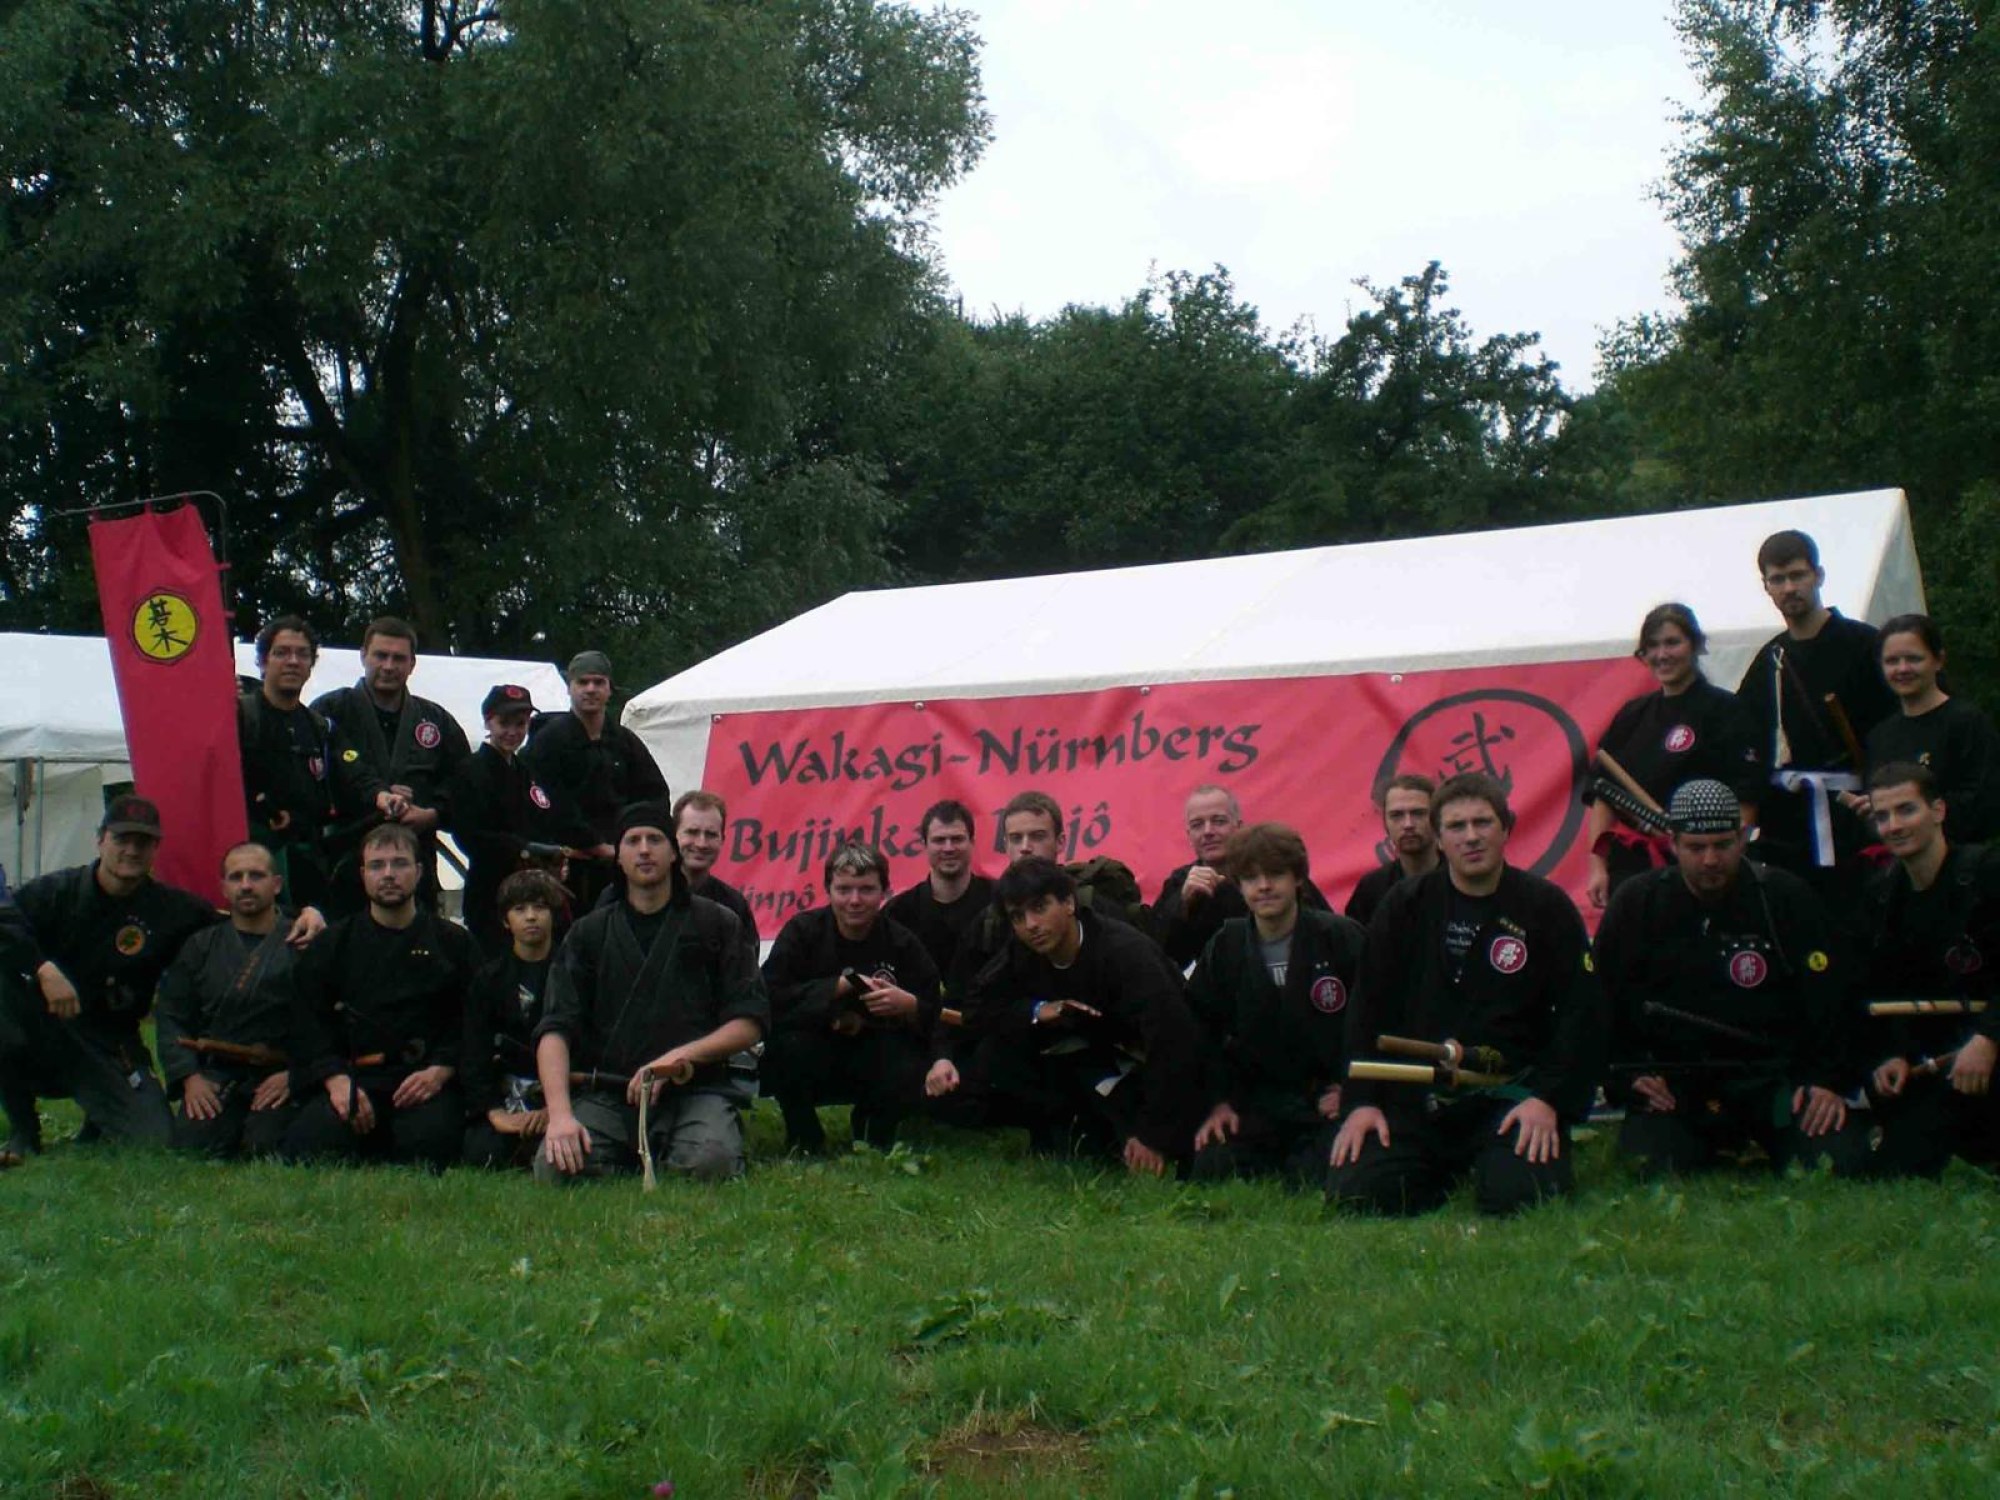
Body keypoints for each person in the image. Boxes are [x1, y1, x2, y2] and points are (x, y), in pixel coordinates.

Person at [1328, 773, 1603, 1217]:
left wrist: (1549, 1100)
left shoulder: (1546, 907)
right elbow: (1368, 1008)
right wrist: (1361, 1104)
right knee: (1360, 1194)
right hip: (1418, 1098)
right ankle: (1438, 1168)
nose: (1471, 837)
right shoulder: (1404, 905)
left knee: (1519, 1197)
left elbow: (1581, 1012)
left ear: (1506, 829)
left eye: (1483, 822)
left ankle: (1493, 1163)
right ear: (1438, 838)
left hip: (1509, 1096)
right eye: (1456, 826)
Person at [1, 797, 321, 1165]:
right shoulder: (53, 893)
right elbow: (5, 923)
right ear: (100, 840)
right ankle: (24, 1129)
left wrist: (307, 914)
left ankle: (100, 1116)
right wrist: (42, 967)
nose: (131, 850)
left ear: (156, 849)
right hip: (46, 1028)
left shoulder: (172, 909)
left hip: (110, 1042)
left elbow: (242, 917)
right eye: (122, 839)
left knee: (156, 1139)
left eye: (143, 842)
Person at [1596, 779, 1870, 1178]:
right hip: (1678, 1087)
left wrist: (1826, 1081)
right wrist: (1631, 1077)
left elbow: (1832, 998)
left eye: (1722, 845)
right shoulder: (1638, 903)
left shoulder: (1783, 897)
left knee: (1840, 1162)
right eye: (1696, 847)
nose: (1710, 860)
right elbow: (1601, 1003)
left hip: (1773, 1080)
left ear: (1743, 838)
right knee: (1651, 1168)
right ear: (1673, 844)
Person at [533, 802, 767, 1184]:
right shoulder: (588, 934)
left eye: (655, 839)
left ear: (673, 852)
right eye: (633, 841)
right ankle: (636, 1150)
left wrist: (678, 1057)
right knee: (554, 1167)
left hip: (695, 1088)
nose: (644, 849)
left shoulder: (717, 923)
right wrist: (559, 1116)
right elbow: (555, 1029)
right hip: (610, 1093)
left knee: (712, 1162)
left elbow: (749, 1021)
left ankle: (686, 1141)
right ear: (619, 856)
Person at [932, 858, 1202, 1174]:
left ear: (1069, 903)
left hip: (1160, 1062)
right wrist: (1038, 1011)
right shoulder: (1023, 950)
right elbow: (977, 1008)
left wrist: (1152, 1135)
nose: (1031, 924)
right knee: (997, 1053)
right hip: (1093, 1058)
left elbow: (1175, 1043)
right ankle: (1069, 1129)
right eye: (1018, 916)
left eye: (1040, 908)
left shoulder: (1127, 954)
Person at [282, 822, 482, 1170]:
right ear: (363, 875)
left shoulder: (454, 943)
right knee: (311, 1145)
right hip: (354, 1077)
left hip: (425, 1080)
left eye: (399, 863)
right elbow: (308, 1022)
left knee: (428, 1146)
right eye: (377, 865)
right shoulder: (333, 945)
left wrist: (441, 1070)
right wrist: (336, 1080)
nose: (388, 874)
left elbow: (475, 1018)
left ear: (419, 871)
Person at [1187, 823, 1366, 1187]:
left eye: (1275, 875)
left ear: (1298, 878)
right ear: (1239, 886)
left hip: (1326, 1100)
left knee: (1322, 1173)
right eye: (1251, 878)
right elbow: (1200, 1030)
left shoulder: (1340, 937)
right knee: (1212, 1166)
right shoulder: (1227, 945)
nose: (1264, 886)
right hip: (1256, 1102)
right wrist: (1218, 1103)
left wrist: (1353, 1090)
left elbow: (1374, 1019)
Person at [1859, 763, 2000, 1178]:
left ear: (1938, 810)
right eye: (1882, 816)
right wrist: (1893, 1055)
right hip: (1941, 1062)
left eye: (1906, 810)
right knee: (1898, 1165)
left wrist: (1988, 1039)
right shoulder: (1882, 896)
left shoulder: (1988, 874)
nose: (1893, 826)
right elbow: (1884, 991)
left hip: (1990, 1044)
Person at [1734, 531, 1894, 886]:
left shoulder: (1866, 644)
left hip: (1856, 816)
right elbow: (1747, 743)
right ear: (1766, 587)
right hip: (1787, 827)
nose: (1789, 588)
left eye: (1797, 575)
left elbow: (1896, 729)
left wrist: (1886, 793)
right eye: (1778, 579)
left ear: (1818, 575)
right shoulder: (1769, 659)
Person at [761, 843, 941, 1153]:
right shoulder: (802, 932)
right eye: (844, 889)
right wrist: (837, 988)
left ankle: (874, 1132)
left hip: (877, 1051)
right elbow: (770, 995)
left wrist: (908, 1005)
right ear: (828, 890)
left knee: (907, 1060)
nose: (854, 900)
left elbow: (935, 1011)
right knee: (783, 1048)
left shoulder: (902, 943)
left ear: (884, 891)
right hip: (814, 1048)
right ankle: (804, 1138)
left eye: (866, 889)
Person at [1584, 603, 1762, 908]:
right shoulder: (1632, 715)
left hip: (1704, 865)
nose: (1662, 654)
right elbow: (1604, 795)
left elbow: (1746, 796)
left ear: (1695, 645)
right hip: (1634, 867)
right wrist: (1598, 866)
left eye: (1672, 642)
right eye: (1652, 646)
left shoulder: (1726, 711)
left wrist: (1730, 857)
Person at [154, 843, 307, 1157]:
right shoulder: (201, 946)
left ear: (277, 884)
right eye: (236, 877)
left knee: (265, 1145)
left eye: (256, 875)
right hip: (217, 1074)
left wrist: (297, 1074)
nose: (246, 885)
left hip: (279, 1072)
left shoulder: (302, 942)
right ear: (223, 887)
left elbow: (325, 1019)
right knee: (194, 1145)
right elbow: (171, 1015)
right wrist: (190, 1077)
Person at [314, 617, 471, 913]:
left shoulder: (435, 720)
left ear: (412, 664)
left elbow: (465, 784)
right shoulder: (331, 712)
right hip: (345, 861)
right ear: (363, 656)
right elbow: (313, 782)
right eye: (380, 655)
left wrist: (433, 814)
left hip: (415, 864)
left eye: (398, 658)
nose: (388, 666)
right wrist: (377, 796)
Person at [947, 790, 1151, 1001]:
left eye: (1037, 836)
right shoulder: (989, 923)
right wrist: (1032, 1011)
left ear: (1060, 842)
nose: (1025, 848)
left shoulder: (1095, 904)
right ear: (1005, 845)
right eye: (1016, 839)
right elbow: (966, 1001)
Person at [523, 650, 669, 909]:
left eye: (598, 682)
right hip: (567, 867)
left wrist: (635, 838)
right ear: (569, 687)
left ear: (609, 688)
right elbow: (548, 802)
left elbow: (654, 794)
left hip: (622, 862)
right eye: (583, 682)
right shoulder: (548, 742)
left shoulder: (625, 742)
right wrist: (594, 845)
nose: (591, 689)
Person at [1859, 615, 2000, 845]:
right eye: (1892, 661)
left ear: (1939, 660)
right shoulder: (1880, 737)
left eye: (1914, 659)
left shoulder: (1968, 724)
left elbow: (1985, 802)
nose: (1902, 668)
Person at [1152, 785, 1330, 967]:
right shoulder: (1181, 882)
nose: (1208, 831)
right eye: (1197, 825)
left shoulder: (1277, 872)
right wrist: (1182, 906)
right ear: (1189, 835)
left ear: (1238, 826)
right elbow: (1159, 958)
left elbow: (1327, 935)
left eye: (1219, 821)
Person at [460, 869, 568, 1169]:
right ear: (505, 920)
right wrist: (494, 1112)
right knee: (483, 1154)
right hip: (505, 1096)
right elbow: (474, 1051)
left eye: (540, 907)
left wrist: (554, 1108)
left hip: (563, 1097)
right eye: (520, 909)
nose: (531, 917)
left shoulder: (574, 974)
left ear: (553, 915)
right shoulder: (488, 980)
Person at [449, 684, 564, 953]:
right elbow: (468, 834)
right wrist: (523, 848)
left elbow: (544, 817)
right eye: (504, 723)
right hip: (490, 890)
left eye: (520, 724)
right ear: (488, 722)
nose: (512, 732)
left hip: (534, 888)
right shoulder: (470, 771)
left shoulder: (526, 770)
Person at [237, 615, 334, 910]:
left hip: (307, 871)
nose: (293, 661)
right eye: (282, 652)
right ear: (263, 661)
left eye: (302, 654)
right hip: (253, 871)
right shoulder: (240, 716)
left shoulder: (318, 726)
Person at [884, 799, 995, 982]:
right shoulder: (897, 913)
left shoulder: (999, 901)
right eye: (939, 840)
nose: (948, 848)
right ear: (924, 845)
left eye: (957, 839)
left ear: (972, 842)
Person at [671, 791, 760, 960]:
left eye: (711, 835)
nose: (701, 843)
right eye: (692, 832)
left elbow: (746, 970)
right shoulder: (647, 896)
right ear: (673, 835)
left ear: (722, 840)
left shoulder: (734, 905)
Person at [1345, 774, 1441, 929]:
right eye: (1396, 815)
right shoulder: (1372, 888)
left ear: (1437, 818)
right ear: (1385, 822)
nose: (1408, 824)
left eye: (1418, 813)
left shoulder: (1461, 878)